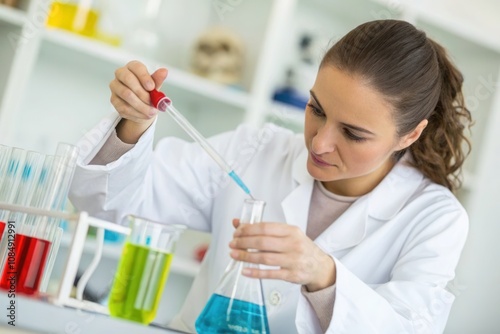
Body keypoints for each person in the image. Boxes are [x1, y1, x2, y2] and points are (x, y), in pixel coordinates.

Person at [69, 19, 472, 333]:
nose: (319, 143)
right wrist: (133, 124)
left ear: (411, 133)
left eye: (353, 133)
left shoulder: (434, 218)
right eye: (316, 109)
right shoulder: (256, 149)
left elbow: (408, 328)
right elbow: (109, 207)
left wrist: (323, 274)